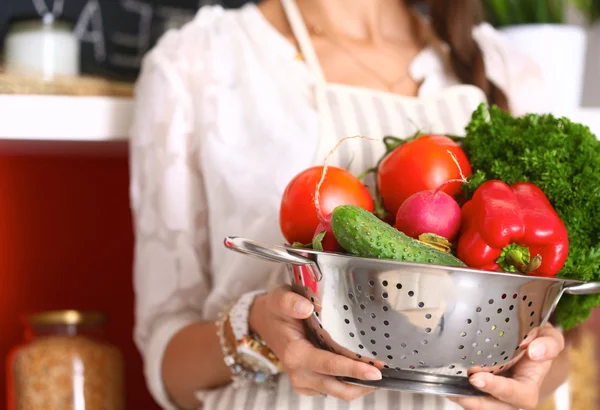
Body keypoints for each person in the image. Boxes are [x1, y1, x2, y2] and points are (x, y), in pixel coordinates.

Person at [129, 0, 571, 409]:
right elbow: (168, 365)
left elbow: (560, 354)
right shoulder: (198, 62)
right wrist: (257, 329)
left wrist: (534, 365)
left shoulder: (506, 70)